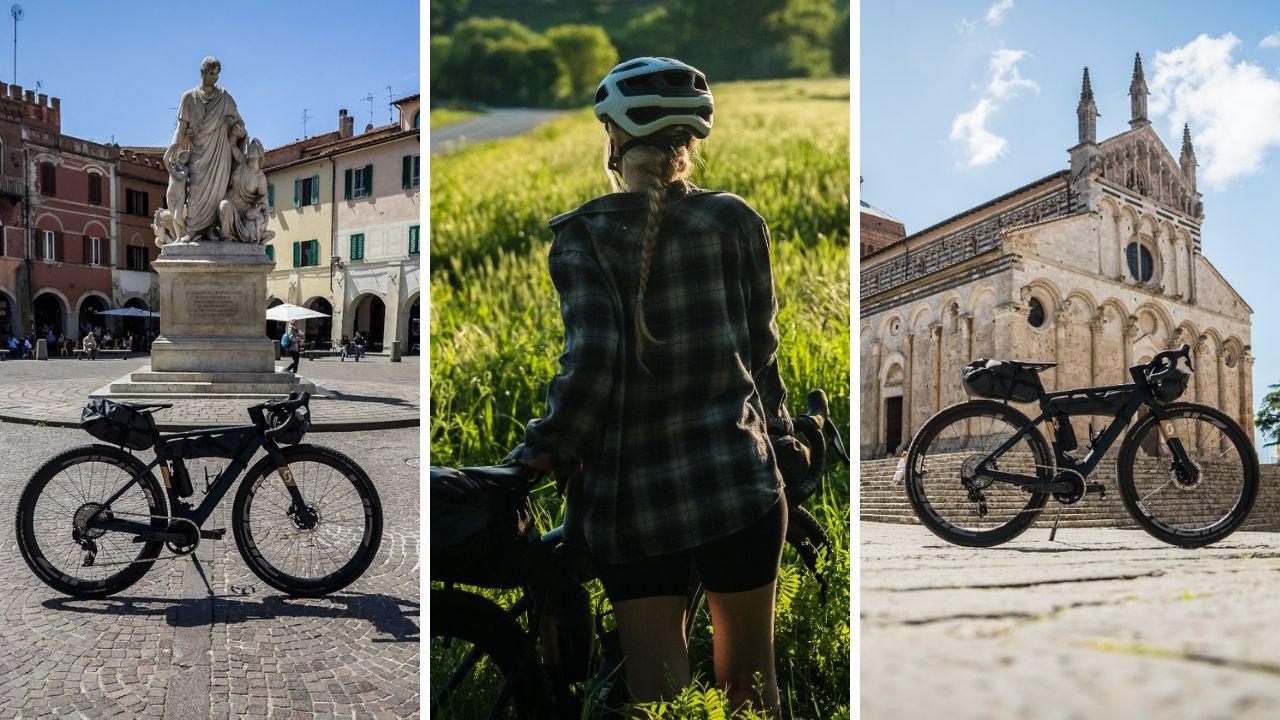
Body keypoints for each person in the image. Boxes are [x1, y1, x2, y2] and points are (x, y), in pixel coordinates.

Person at [510, 58, 788, 714]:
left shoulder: (582, 235)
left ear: (614, 137)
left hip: (633, 503)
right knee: (753, 695)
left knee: (660, 700)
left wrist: (541, 452)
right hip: (740, 485)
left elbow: (591, 367)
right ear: (690, 142)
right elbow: (763, 357)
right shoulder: (736, 221)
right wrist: (778, 436)